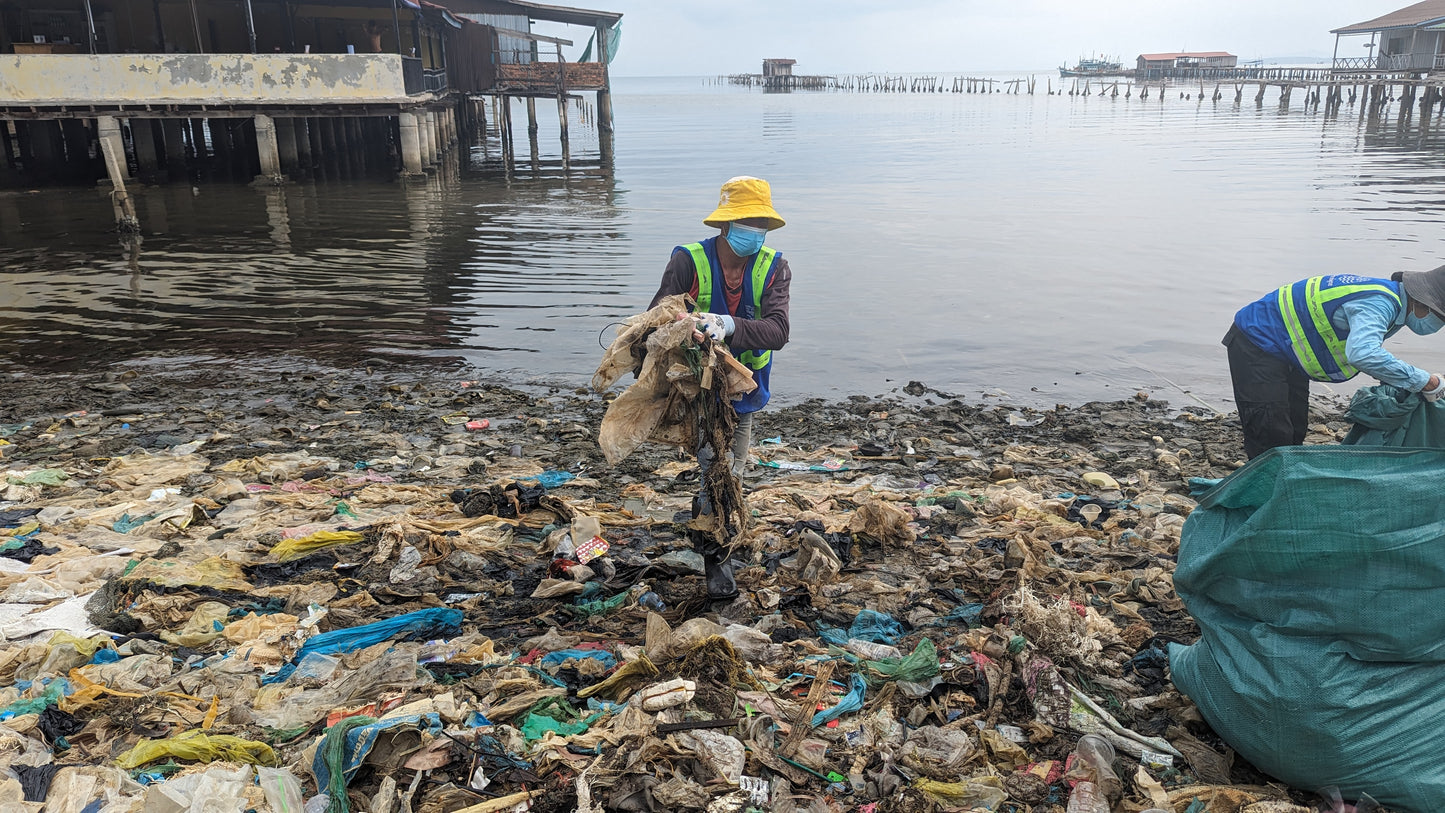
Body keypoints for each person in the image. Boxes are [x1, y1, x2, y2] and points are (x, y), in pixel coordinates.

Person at [648, 176, 791, 601]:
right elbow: (654, 319)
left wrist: (727, 325)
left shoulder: (773, 266)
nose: (755, 230)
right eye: (747, 221)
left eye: (760, 222)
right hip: (699, 388)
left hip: (745, 388)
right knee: (717, 466)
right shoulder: (688, 262)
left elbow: (778, 330)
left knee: (735, 469)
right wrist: (685, 324)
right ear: (726, 225)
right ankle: (717, 556)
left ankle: (710, 525)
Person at [1224, 267, 1445, 459]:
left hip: (1288, 350)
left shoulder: (1390, 300)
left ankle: (1284, 487)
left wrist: (1398, 379)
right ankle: (1263, 498)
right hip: (1256, 342)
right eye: (1440, 317)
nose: (1439, 325)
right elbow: (1362, 353)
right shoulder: (1380, 303)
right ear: (1422, 301)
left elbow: (1361, 348)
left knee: (1295, 428)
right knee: (1270, 433)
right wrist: (1425, 380)